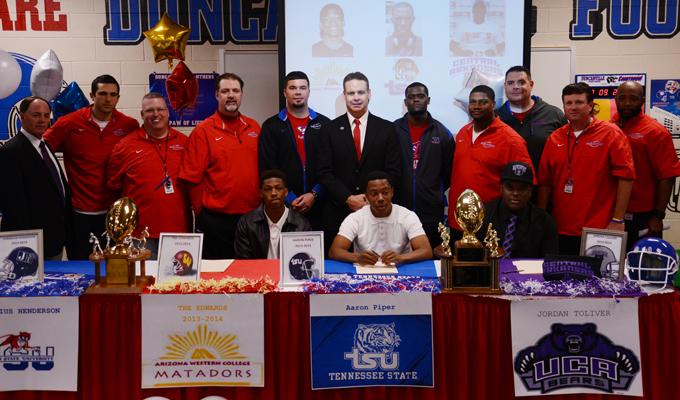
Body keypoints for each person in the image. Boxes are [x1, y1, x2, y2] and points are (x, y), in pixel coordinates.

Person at [43, 74, 139, 260]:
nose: (108, 99)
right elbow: (40, 151)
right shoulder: (69, 123)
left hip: (114, 213)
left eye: (113, 95)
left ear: (118, 98)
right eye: (102, 93)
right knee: (82, 267)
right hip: (79, 213)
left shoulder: (129, 125)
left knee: (114, 270)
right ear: (92, 95)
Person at [537, 82, 635, 255]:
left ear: (590, 105)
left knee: (596, 281)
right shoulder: (554, 138)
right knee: (561, 280)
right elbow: (545, 183)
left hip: (599, 229)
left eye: (579, 102)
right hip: (560, 229)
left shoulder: (611, 134)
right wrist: (541, 221)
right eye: (569, 103)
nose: (573, 107)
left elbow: (626, 178)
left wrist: (618, 220)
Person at [179, 73, 261, 259]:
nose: (231, 95)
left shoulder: (254, 127)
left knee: (251, 273)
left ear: (242, 95)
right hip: (216, 220)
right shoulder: (203, 131)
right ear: (217, 95)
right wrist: (201, 214)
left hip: (252, 217)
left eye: (235, 91)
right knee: (218, 276)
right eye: (225, 91)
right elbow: (192, 177)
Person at [317, 72, 402, 251]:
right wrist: (348, 198)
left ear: (369, 94)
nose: (356, 98)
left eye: (361, 92)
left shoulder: (387, 129)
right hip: (338, 213)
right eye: (351, 93)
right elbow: (324, 172)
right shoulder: (329, 129)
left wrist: (371, 198)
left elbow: (394, 170)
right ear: (344, 95)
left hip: (377, 214)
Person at [106, 93, 191, 258]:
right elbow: (113, 189)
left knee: (177, 282)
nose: (156, 114)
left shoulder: (185, 143)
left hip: (178, 232)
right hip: (139, 234)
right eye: (150, 110)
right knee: (141, 281)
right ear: (142, 114)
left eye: (160, 109)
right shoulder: (124, 147)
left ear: (168, 112)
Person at [447, 84, 533, 232]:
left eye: (483, 102)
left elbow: (525, 185)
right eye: (473, 102)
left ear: (493, 104)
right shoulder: (463, 133)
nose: (476, 106)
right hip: (459, 221)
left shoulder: (511, 139)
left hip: (491, 223)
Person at [0, 96, 71, 260]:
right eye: (36, 115)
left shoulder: (45, 146)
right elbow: (13, 207)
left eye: (46, 116)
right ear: (22, 116)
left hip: (53, 240)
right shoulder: (10, 152)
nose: (42, 120)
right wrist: (28, 248)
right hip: (30, 247)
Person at [612, 81, 680, 250]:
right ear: (616, 99)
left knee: (643, 269)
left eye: (633, 99)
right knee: (610, 268)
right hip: (611, 213)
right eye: (622, 98)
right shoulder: (608, 128)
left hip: (644, 216)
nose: (627, 103)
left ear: (642, 101)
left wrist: (658, 215)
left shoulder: (655, 132)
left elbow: (667, 176)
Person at [258, 71, 330, 229]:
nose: (298, 92)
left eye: (302, 87)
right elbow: (268, 167)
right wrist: (289, 197)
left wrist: (314, 194)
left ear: (308, 91)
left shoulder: (325, 124)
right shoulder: (271, 126)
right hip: (283, 207)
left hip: (320, 206)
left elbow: (330, 166)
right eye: (292, 88)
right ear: (285, 92)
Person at [394, 82, 454, 248]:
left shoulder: (442, 133)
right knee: (398, 257)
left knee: (430, 256)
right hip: (399, 208)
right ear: (405, 102)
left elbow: (448, 173)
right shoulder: (393, 130)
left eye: (420, 96)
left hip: (431, 211)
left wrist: (431, 189)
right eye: (411, 97)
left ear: (428, 100)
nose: (416, 100)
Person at [329, 171, 432, 264]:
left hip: (401, 272)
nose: (380, 198)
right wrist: (357, 257)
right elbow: (334, 251)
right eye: (374, 194)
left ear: (392, 192)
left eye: (385, 192)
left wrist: (401, 258)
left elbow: (426, 250)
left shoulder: (407, 216)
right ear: (366, 196)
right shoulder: (355, 218)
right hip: (365, 273)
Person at [479, 161, 558, 259]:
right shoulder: (484, 215)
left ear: (530, 192)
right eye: (510, 187)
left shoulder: (545, 222)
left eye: (522, 189)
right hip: (490, 272)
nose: (515, 193)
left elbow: (548, 263)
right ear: (501, 188)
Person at [496, 66, 567, 173]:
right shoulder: (495, 118)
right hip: (505, 187)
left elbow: (566, 154)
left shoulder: (553, 114)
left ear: (531, 84)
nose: (515, 87)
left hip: (544, 187)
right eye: (510, 83)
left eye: (521, 82)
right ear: (505, 86)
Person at [234, 170, 312, 259]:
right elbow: (243, 261)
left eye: (278, 188)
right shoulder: (246, 223)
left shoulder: (301, 224)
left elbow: (304, 260)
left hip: (287, 273)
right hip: (258, 272)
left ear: (286, 192)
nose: (274, 193)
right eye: (268, 189)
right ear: (260, 193)